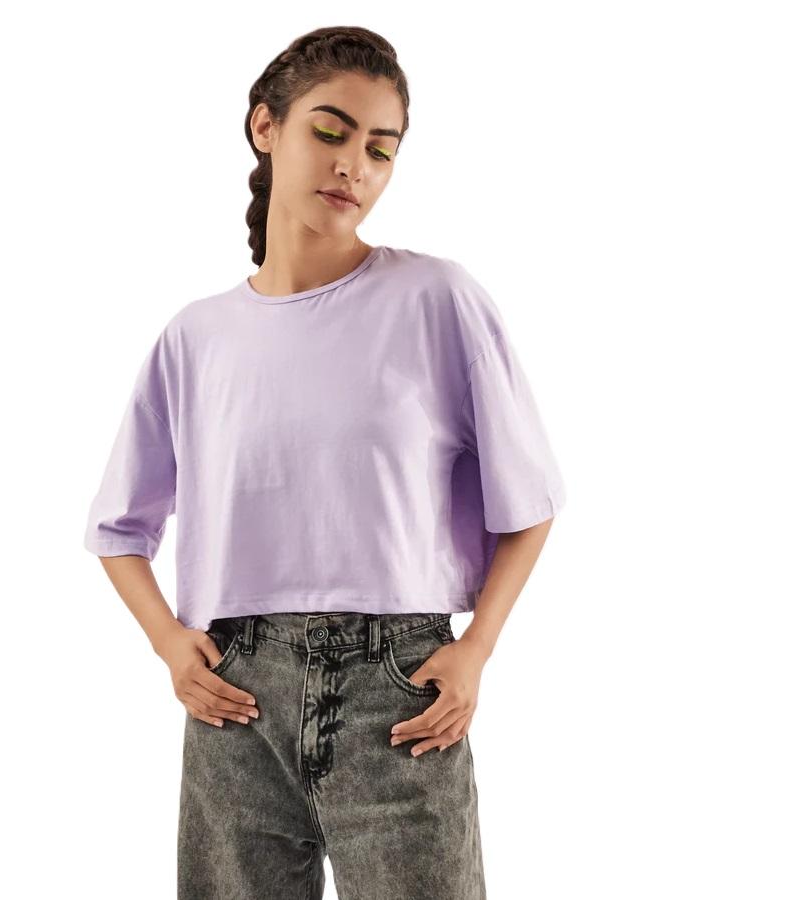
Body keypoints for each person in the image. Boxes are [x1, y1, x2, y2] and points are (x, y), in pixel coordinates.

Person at [83, 25, 566, 900]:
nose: (354, 166)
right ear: (266, 127)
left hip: (402, 696)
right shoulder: (196, 338)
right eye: (331, 131)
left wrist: (477, 649)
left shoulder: (437, 300)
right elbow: (119, 528)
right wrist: (169, 645)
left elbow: (528, 503)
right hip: (236, 701)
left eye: (381, 149)